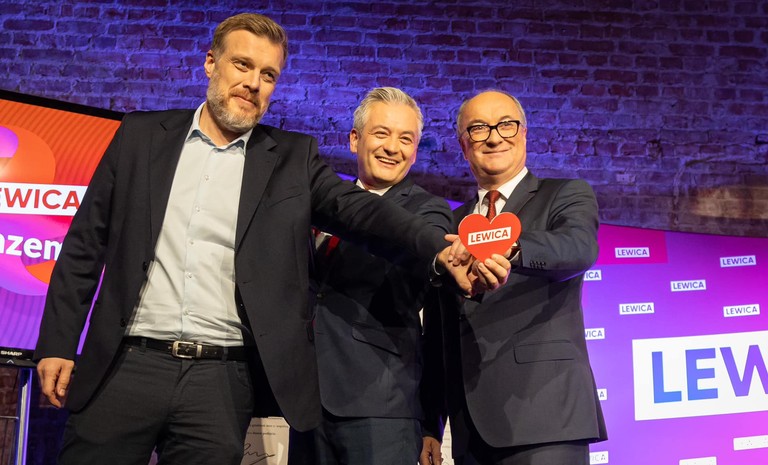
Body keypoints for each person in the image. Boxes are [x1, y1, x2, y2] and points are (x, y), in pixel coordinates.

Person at [33, 14, 488, 465]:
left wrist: (439, 247)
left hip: (220, 380)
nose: (253, 83)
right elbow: (84, 246)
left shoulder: (291, 159)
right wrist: (57, 342)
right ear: (211, 63)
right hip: (125, 364)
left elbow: (361, 210)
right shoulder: (141, 135)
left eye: (268, 74)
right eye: (242, 65)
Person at [421, 90, 608, 465]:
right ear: (463, 144)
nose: (494, 137)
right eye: (478, 128)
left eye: (506, 125)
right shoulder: (450, 225)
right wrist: (430, 424)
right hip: (470, 429)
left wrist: (510, 248)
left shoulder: (565, 194)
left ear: (523, 133)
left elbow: (578, 247)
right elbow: (440, 334)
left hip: (547, 418)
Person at [288, 87, 452, 465]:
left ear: (415, 151)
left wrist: (431, 421)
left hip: (381, 407)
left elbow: (418, 265)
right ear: (354, 140)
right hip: (308, 404)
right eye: (381, 133)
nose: (392, 147)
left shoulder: (428, 213)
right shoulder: (324, 204)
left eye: (406, 139)